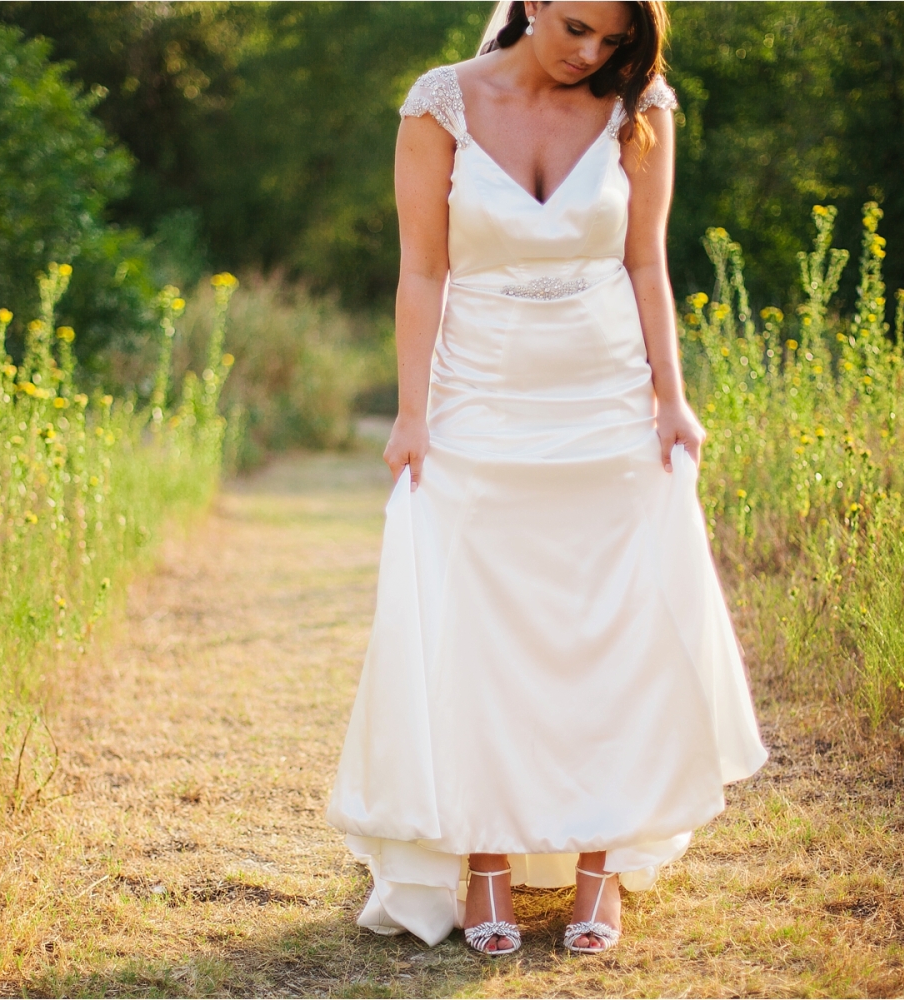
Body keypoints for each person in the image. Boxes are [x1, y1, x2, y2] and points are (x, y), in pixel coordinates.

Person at [326, 0, 767, 957]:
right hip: (479, 398)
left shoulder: (643, 105)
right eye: (575, 28)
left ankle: (597, 870)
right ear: (530, 1)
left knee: (609, 626)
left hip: (607, 400)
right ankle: (484, 861)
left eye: (613, 39)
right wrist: (412, 413)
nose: (591, 53)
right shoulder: (438, 104)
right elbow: (422, 270)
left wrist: (671, 399)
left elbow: (645, 261)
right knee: (479, 626)